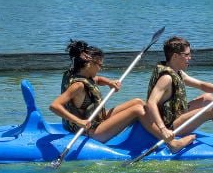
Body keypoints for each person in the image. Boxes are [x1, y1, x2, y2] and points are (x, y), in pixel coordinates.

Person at [49, 39, 193, 150]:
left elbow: (96, 80)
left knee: (138, 102)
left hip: (97, 120)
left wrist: (109, 82)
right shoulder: (78, 86)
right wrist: (78, 121)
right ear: (89, 64)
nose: (100, 69)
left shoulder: (78, 74)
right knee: (137, 110)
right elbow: (54, 106)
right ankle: (171, 143)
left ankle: (155, 129)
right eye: (100, 65)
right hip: (91, 131)